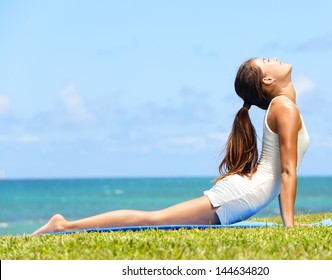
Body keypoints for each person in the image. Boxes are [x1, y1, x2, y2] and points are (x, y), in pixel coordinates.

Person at [32, 57, 309, 235]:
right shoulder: (284, 107)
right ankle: (63, 225)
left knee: (156, 218)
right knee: (155, 219)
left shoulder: (283, 107)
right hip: (241, 196)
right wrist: (290, 228)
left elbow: (284, 170)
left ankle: (64, 225)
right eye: (266, 60)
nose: (273, 58)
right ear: (268, 80)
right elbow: (287, 172)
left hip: (247, 193)